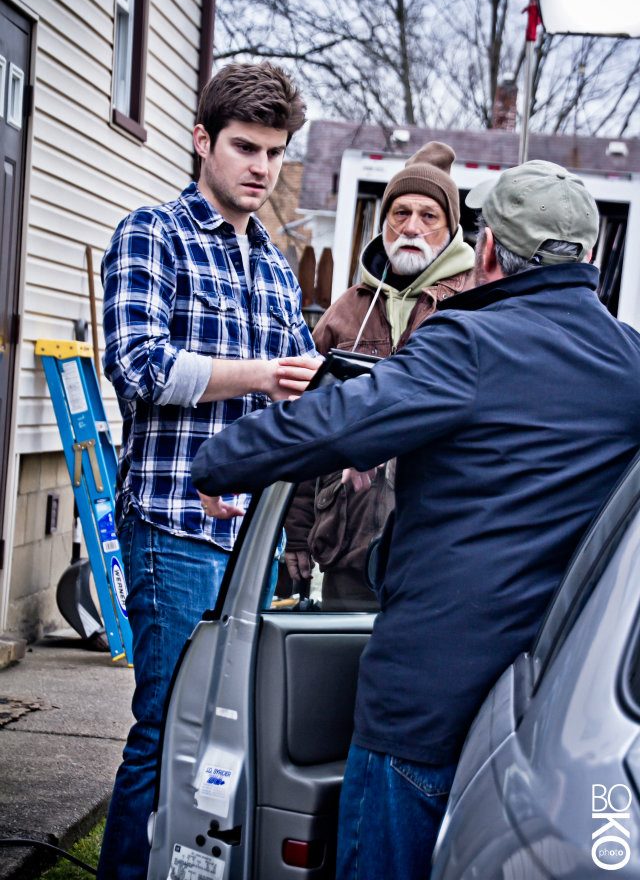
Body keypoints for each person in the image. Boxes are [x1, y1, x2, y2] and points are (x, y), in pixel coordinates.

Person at [192, 159, 640, 880]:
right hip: (554, 699)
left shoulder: (469, 346)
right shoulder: (630, 365)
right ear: (587, 257)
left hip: (427, 696)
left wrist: (220, 462)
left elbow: (337, 421)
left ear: (487, 249)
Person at [98, 62, 319, 880]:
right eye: (245, 147)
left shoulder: (274, 263)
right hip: (172, 526)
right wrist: (260, 373)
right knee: (165, 729)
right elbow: (139, 366)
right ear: (203, 141)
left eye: (274, 151)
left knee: (225, 735)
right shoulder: (151, 234)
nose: (260, 167)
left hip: (249, 539)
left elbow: (292, 400)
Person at [285, 142, 474, 610]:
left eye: (429, 216)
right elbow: (308, 426)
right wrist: (295, 530)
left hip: (441, 555)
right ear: (383, 222)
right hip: (347, 548)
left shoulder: (478, 307)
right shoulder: (344, 314)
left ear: (452, 230)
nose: (412, 227)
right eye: (400, 213)